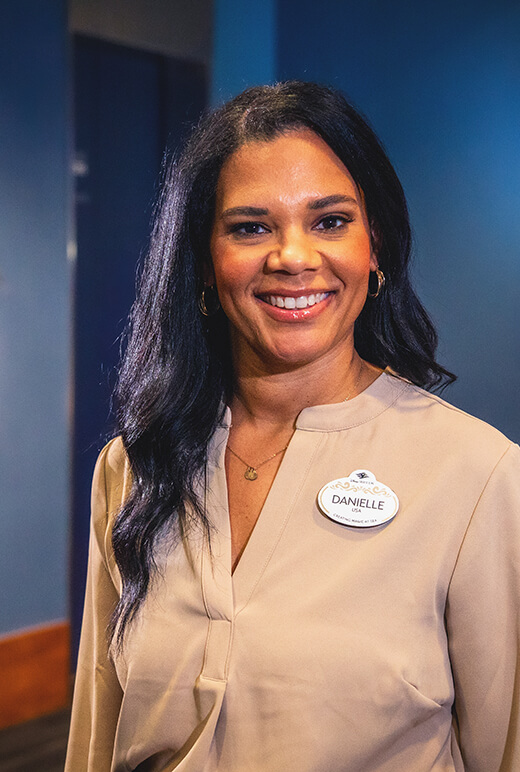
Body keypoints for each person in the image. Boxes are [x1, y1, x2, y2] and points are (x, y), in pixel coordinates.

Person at [65, 82, 520, 772]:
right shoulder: (134, 466)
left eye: (330, 221)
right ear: (204, 262)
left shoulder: (477, 475)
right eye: (250, 227)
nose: (293, 256)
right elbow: (97, 734)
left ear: (377, 248)